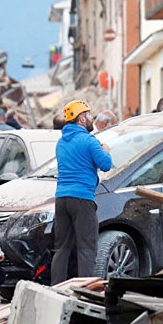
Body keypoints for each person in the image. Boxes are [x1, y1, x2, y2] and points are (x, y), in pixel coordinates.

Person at [51, 100, 112, 285]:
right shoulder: (89, 141)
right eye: (90, 115)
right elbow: (106, 165)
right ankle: (86, 289)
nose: (92, 118)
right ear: (82, 119)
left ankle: (56, 289)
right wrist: (106, 150)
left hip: (61, 199)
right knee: (86, 248)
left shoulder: (61, 143)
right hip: (82, 199)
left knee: (61, 248)